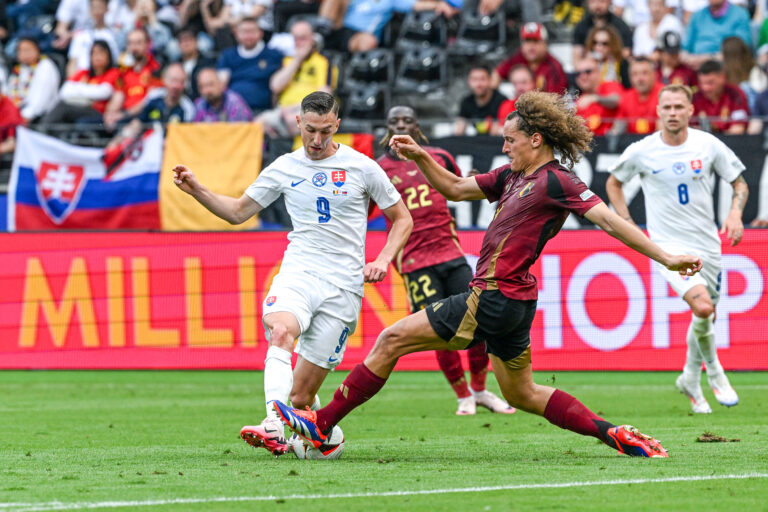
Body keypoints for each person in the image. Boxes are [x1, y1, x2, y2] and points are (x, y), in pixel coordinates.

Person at [273, 91, 703, 459]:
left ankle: (321, 424)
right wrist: (422, 155)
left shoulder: (559, 181)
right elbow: (457, 190)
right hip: (515, 303)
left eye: (510, 141)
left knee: (391, 340)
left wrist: (666, 258)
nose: (505, 148)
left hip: (495, 297)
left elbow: (610, 221)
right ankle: (614, 433)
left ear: (535, 140)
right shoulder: (514, 175)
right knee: (523, 395)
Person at [172, 91, 412, 456]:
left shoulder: (362, 166)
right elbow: (238, 212)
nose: (317, 141)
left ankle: (325, 437)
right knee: (281, 330)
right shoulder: (284, 167)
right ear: (298, 123)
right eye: (310, 130)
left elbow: (403, 219)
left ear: (337, 126)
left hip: (343, 288)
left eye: (325, 132)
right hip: (299, 272)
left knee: (300, 397)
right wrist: (197, 190)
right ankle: (272, 425)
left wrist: (383, 259)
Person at [606, 84, 746, 414]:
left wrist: (735, 212)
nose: (672, 113)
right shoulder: (643, 150)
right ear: (657, 110)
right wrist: (627, 222)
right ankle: (715, 374)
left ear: (690, 111)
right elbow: (613, 182)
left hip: (708, 246)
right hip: (668, 247)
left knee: (705, 315)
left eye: (678, 107)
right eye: (666, 107)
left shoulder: (707, 144)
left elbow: (739, 181)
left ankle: (688, 379)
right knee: (701, 308)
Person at [377, 105, 515, 416]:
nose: (401, 125)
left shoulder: (438, 157)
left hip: (451, 253)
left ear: (417, 126)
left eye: (407, 120)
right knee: (438, 331)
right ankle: (463, 395)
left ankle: (480, 390)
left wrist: (470, 180)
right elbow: (362, 211)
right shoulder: (378, 169)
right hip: (414, 261)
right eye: (394, 121)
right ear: (386, 129)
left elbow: (456, 186)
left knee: (480, 320)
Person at [256, 20, 337, 138]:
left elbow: (324, 95)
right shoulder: (288, 61)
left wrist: (296, 108)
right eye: (296, 39)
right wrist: (297, 60)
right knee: (257, 124)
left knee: (293, 120)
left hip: (309, 110)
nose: (299, 43)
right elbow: (275, 86)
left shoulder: (323, 61)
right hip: (282, 110)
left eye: (303, 38)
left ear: (313, 38)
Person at [42, 40, 120, 127]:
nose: (97, 56)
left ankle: (43, 130)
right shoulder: (84, 73)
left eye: (101, 53)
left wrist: (78, 87)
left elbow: (104, 92)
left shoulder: (113, 72)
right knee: (60, 106)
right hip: (78, 107)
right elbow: (64, 91)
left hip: (98, 111)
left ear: (108, 55)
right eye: (94, 53)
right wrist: (90, 90)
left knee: (63, 108)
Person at [216, 17, 283, 114]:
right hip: (233, 111)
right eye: (244, 32)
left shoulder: (273, 55)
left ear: (261, 33)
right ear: (236, 34)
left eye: (252, 31)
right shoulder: (228, 56)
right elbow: (221, 84)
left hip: (262, 110)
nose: (248, 36)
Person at [103, 28, 162, 131]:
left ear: (147, 44)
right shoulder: (124, 71)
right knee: (85, 123)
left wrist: (123, 115)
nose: (134, 47)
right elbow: (118, 95)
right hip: (124, 116)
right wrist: (110, 114)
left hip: (143, 117)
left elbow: (149, 101)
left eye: (139, 43)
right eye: (131, 43)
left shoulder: (156, 69)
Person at [491, 22, 568, 95]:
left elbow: (556, 100)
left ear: (545, 44)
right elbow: (497, 74)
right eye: (527, 41)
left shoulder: (554, 67)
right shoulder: (518, 58)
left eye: (535, 41)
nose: (531, 47)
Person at [682, 0, 751, 70]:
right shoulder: (696, 16)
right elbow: (684, 49)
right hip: (696, 69)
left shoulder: (740, 15)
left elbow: (739, 49)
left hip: (727, 69)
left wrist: (707, 59)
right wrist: (689, 59)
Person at [6, 37, 60, 123]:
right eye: (21, 50)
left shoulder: (45, 66)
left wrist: (24, 117)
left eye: (28, 50)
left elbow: (40, 100)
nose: (24, 53)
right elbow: (9, 94)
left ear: (37, 50)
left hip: (39, 117)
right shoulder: (18, 69)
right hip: (16, 115)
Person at [692, 59, 749, 134]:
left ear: (722, 77)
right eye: (701, 83)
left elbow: (738, 128)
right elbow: (690, 128)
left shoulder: (735, 94)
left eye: (710, 82)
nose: (705, 88)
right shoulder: (695, 96)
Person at [572, 55, 623, 135]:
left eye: (588, 71)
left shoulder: (610, 85)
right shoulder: (580, 101)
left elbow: (616, 101)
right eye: (578, 73)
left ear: (598, 73)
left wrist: (596, 98)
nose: (583, 76)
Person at [613, 57, 664, 134]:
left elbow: (662, 134)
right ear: (630, 77)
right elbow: (617, 131)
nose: (640, 78)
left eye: (645, 73)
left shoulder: (664, 94)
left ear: (654, 74)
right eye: (635, 74)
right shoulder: (626, 97)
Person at [455, 65, 507, 135]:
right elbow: (459, 130)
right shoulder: (466, 102)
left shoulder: (502, 101)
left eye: (482, 79)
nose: (478, 84)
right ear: (469, 81)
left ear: (490, 80)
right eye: (474, 80)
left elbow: (498, 132)